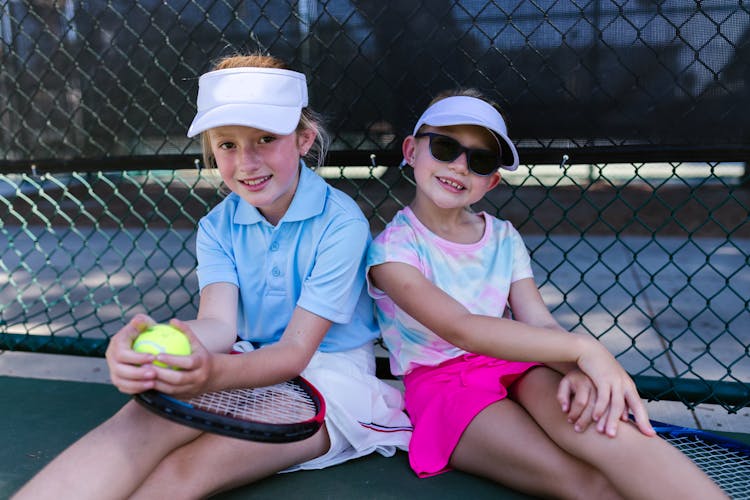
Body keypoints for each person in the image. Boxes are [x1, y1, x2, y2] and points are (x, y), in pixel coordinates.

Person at [13, 53, 411, 500]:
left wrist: (211, 374)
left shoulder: (343, 225)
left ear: (304, 139)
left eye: (265, 138)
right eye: (227, 145)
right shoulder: (216, 227)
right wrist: (159, 346)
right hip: (242, 359)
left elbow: (295, 352)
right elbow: (219, 325)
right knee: (135, 425)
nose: (247, 162)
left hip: (330, 380)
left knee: (188, 470)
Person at [366, 89, 727, 499]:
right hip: (444, 387)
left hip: (516, 363)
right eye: (445, 147)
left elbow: (538, 322)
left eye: (479, 160)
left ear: (492, 180)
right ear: (411, 150)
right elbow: (461, 328)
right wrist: (587, 351)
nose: (460, 167)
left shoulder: (502, 236)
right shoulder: (392, 250)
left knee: (619, 440)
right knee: (587, 483)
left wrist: (571, 371)